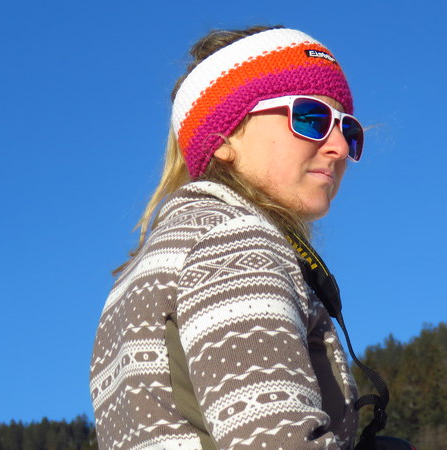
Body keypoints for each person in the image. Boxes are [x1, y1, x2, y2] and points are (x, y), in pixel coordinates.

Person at [89, 25, 365, 449]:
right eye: (310, 118)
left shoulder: (145, 273)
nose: (340, 147)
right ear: (224, 136)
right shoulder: (233, 241)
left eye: (348, 130)